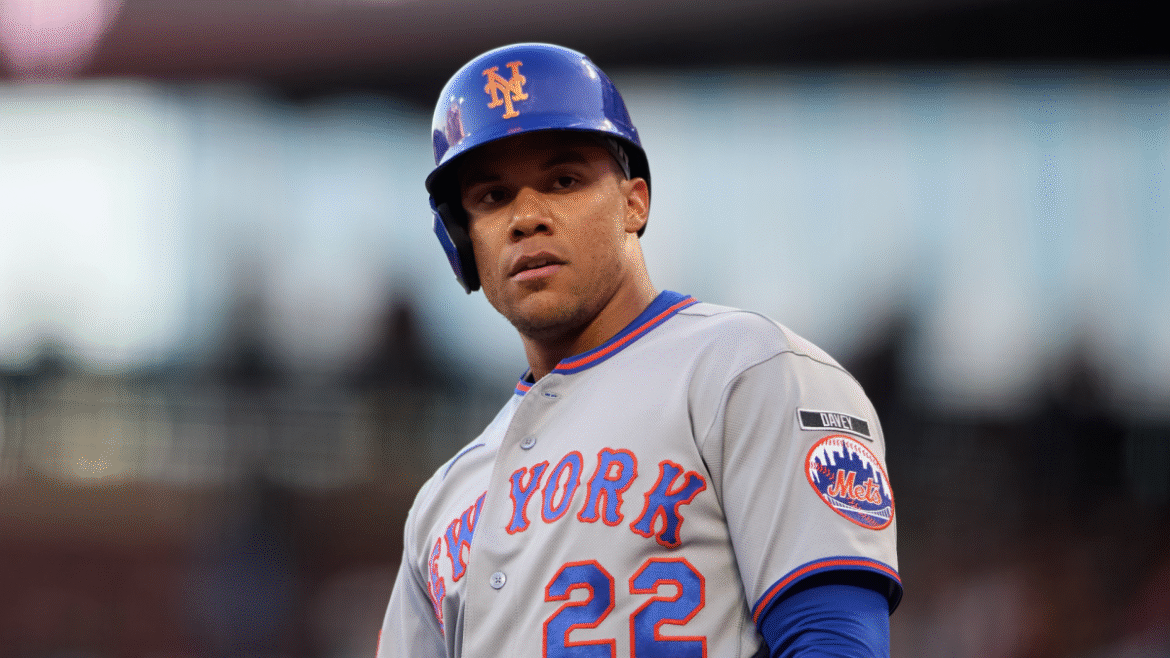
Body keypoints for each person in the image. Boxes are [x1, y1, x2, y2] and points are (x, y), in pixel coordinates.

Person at [377, 43, 901, 657]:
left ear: (635, 203)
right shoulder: (442, 502)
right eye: (493, 197)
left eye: (564, 181)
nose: (527, 218)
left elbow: (834, 639)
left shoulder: (748, 370)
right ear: (462, 242)